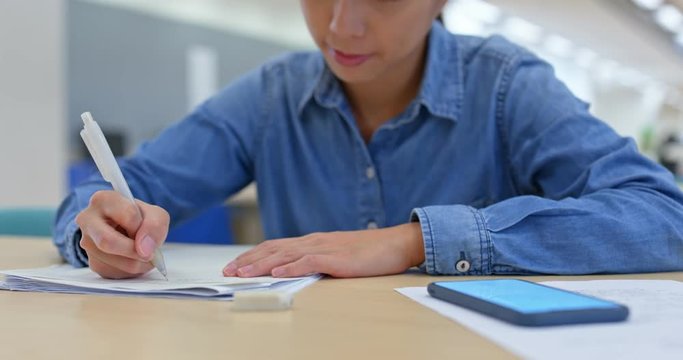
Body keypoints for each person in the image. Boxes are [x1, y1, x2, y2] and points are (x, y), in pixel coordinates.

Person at [54, 0, 683, 280]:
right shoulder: (270, 96)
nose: (341, 25)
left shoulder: (507, 86)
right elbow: (108, 193)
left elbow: (662, 215)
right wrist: (101, 230)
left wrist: (411, 241)